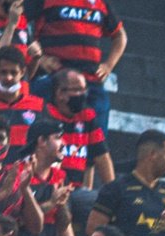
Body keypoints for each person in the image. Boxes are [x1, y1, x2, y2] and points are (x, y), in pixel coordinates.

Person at [27, 0, 126, 136]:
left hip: (90, 80)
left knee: (97, 138)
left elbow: (120, 36)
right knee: (38, 132)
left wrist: (108, 65)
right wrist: (39, 59)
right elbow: (19, 25)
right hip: (53, 77)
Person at [45, 68, 114, 196]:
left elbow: (103, 157)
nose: (83, 94)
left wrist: (114, 195)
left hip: (77, 191)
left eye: (84, 90)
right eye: (77, 90)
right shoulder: (46, 115)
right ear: (60, 93)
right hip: (48, 189)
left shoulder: (87, 116)